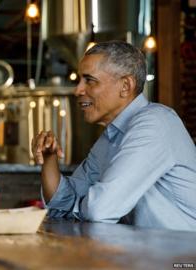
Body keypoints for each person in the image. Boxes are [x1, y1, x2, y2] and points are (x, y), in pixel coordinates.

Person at [32, 40, 196, 231]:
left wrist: (79, 206)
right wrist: (49, 159)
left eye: (89, 80)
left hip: (185, 257)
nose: (78, 90)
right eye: (79, 81)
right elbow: (61, 206)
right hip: (148, 256)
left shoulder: (156, 123)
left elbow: (100, 210)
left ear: (125, 86)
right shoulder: (111, 137)